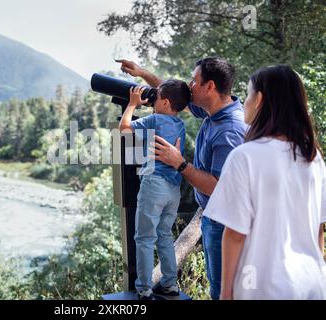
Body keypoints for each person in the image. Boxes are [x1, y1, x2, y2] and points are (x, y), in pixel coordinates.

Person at [117, 57, 248, 300]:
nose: (189, 85)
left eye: (194, 80)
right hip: (198, 207)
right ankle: (170, 285)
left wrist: (180, 163)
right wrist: (143, 73)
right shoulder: (211, 111)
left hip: (223, 223)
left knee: (223, 291)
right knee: (214, 284)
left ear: (209, 86)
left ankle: (143, 290)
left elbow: (220, 189)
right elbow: (175, 97)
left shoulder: (230, 129)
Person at [202, 65, 326, 300]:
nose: (243, 102)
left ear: (259, 99)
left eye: (247, 94)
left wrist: (226, 294)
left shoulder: (244, 156)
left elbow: (235, 234)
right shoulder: (313, 157)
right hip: (313, 283)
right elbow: (318, 228)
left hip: (264, 288)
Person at [119, 80, 191, 300]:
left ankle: (144, 289)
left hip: (154, 185)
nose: (153, 103)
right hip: (173, 189)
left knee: (144, 238)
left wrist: (132, 105)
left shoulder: (155, 119)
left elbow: (124, 129)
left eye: (156, 99)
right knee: (164, 236)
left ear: (166, 102)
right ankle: (170, 286)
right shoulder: (180, 124)